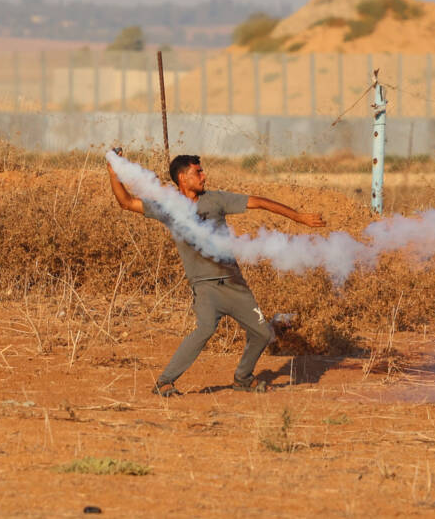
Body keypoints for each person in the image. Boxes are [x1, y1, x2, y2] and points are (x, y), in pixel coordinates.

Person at [107, 150, 326, 396]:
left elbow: (258, 201)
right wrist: (114, 173)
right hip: (205, 285)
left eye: (202, 171)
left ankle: (243, 379)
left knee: (263, 333)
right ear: (182, 178)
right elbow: (126, 202)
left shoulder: (216, 200)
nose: (204, 176)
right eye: (197, 172)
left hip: (234, 283)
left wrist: (297, 216)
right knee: (205, 329)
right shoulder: (168, 208)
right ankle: (165, 382)